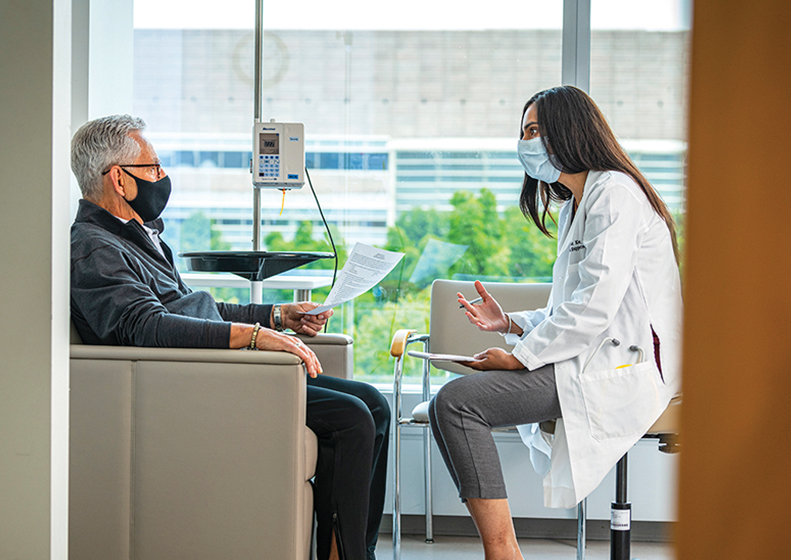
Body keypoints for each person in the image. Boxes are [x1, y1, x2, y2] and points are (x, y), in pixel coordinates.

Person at [69, 115, 388, 560]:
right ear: (120, 180)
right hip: (197, 380)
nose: (162, 178)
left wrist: (277, 316)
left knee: (374, 403)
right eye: (154, 168)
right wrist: (255, 337)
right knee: (352, 417)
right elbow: (145, 326)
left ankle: (352, 549)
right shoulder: (94, 247)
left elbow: (198, 310)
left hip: (217, 366)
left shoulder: (138, 237)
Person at [427, 86, 683, 560]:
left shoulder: (615, 194)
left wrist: (520, 358)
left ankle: (503, 553)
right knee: (455, 403)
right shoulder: (575, 203)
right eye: (523, 132)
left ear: (570, 129)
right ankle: (504, 552)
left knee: (458, 404)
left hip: (626, 367)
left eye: (534, 130)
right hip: (592, 354)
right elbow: (574, 303)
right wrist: (513, 323)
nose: (525, 142)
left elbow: (594, 310)